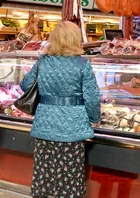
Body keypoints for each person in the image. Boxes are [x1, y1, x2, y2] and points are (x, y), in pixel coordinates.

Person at [21, 21, 100, 198]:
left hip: (45, 128)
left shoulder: (43, 62)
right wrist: (95, 118)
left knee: (45, 179)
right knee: (70, 181)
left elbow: (25, 84)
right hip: (72, 129)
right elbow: (92, 97)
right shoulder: (82, 64)